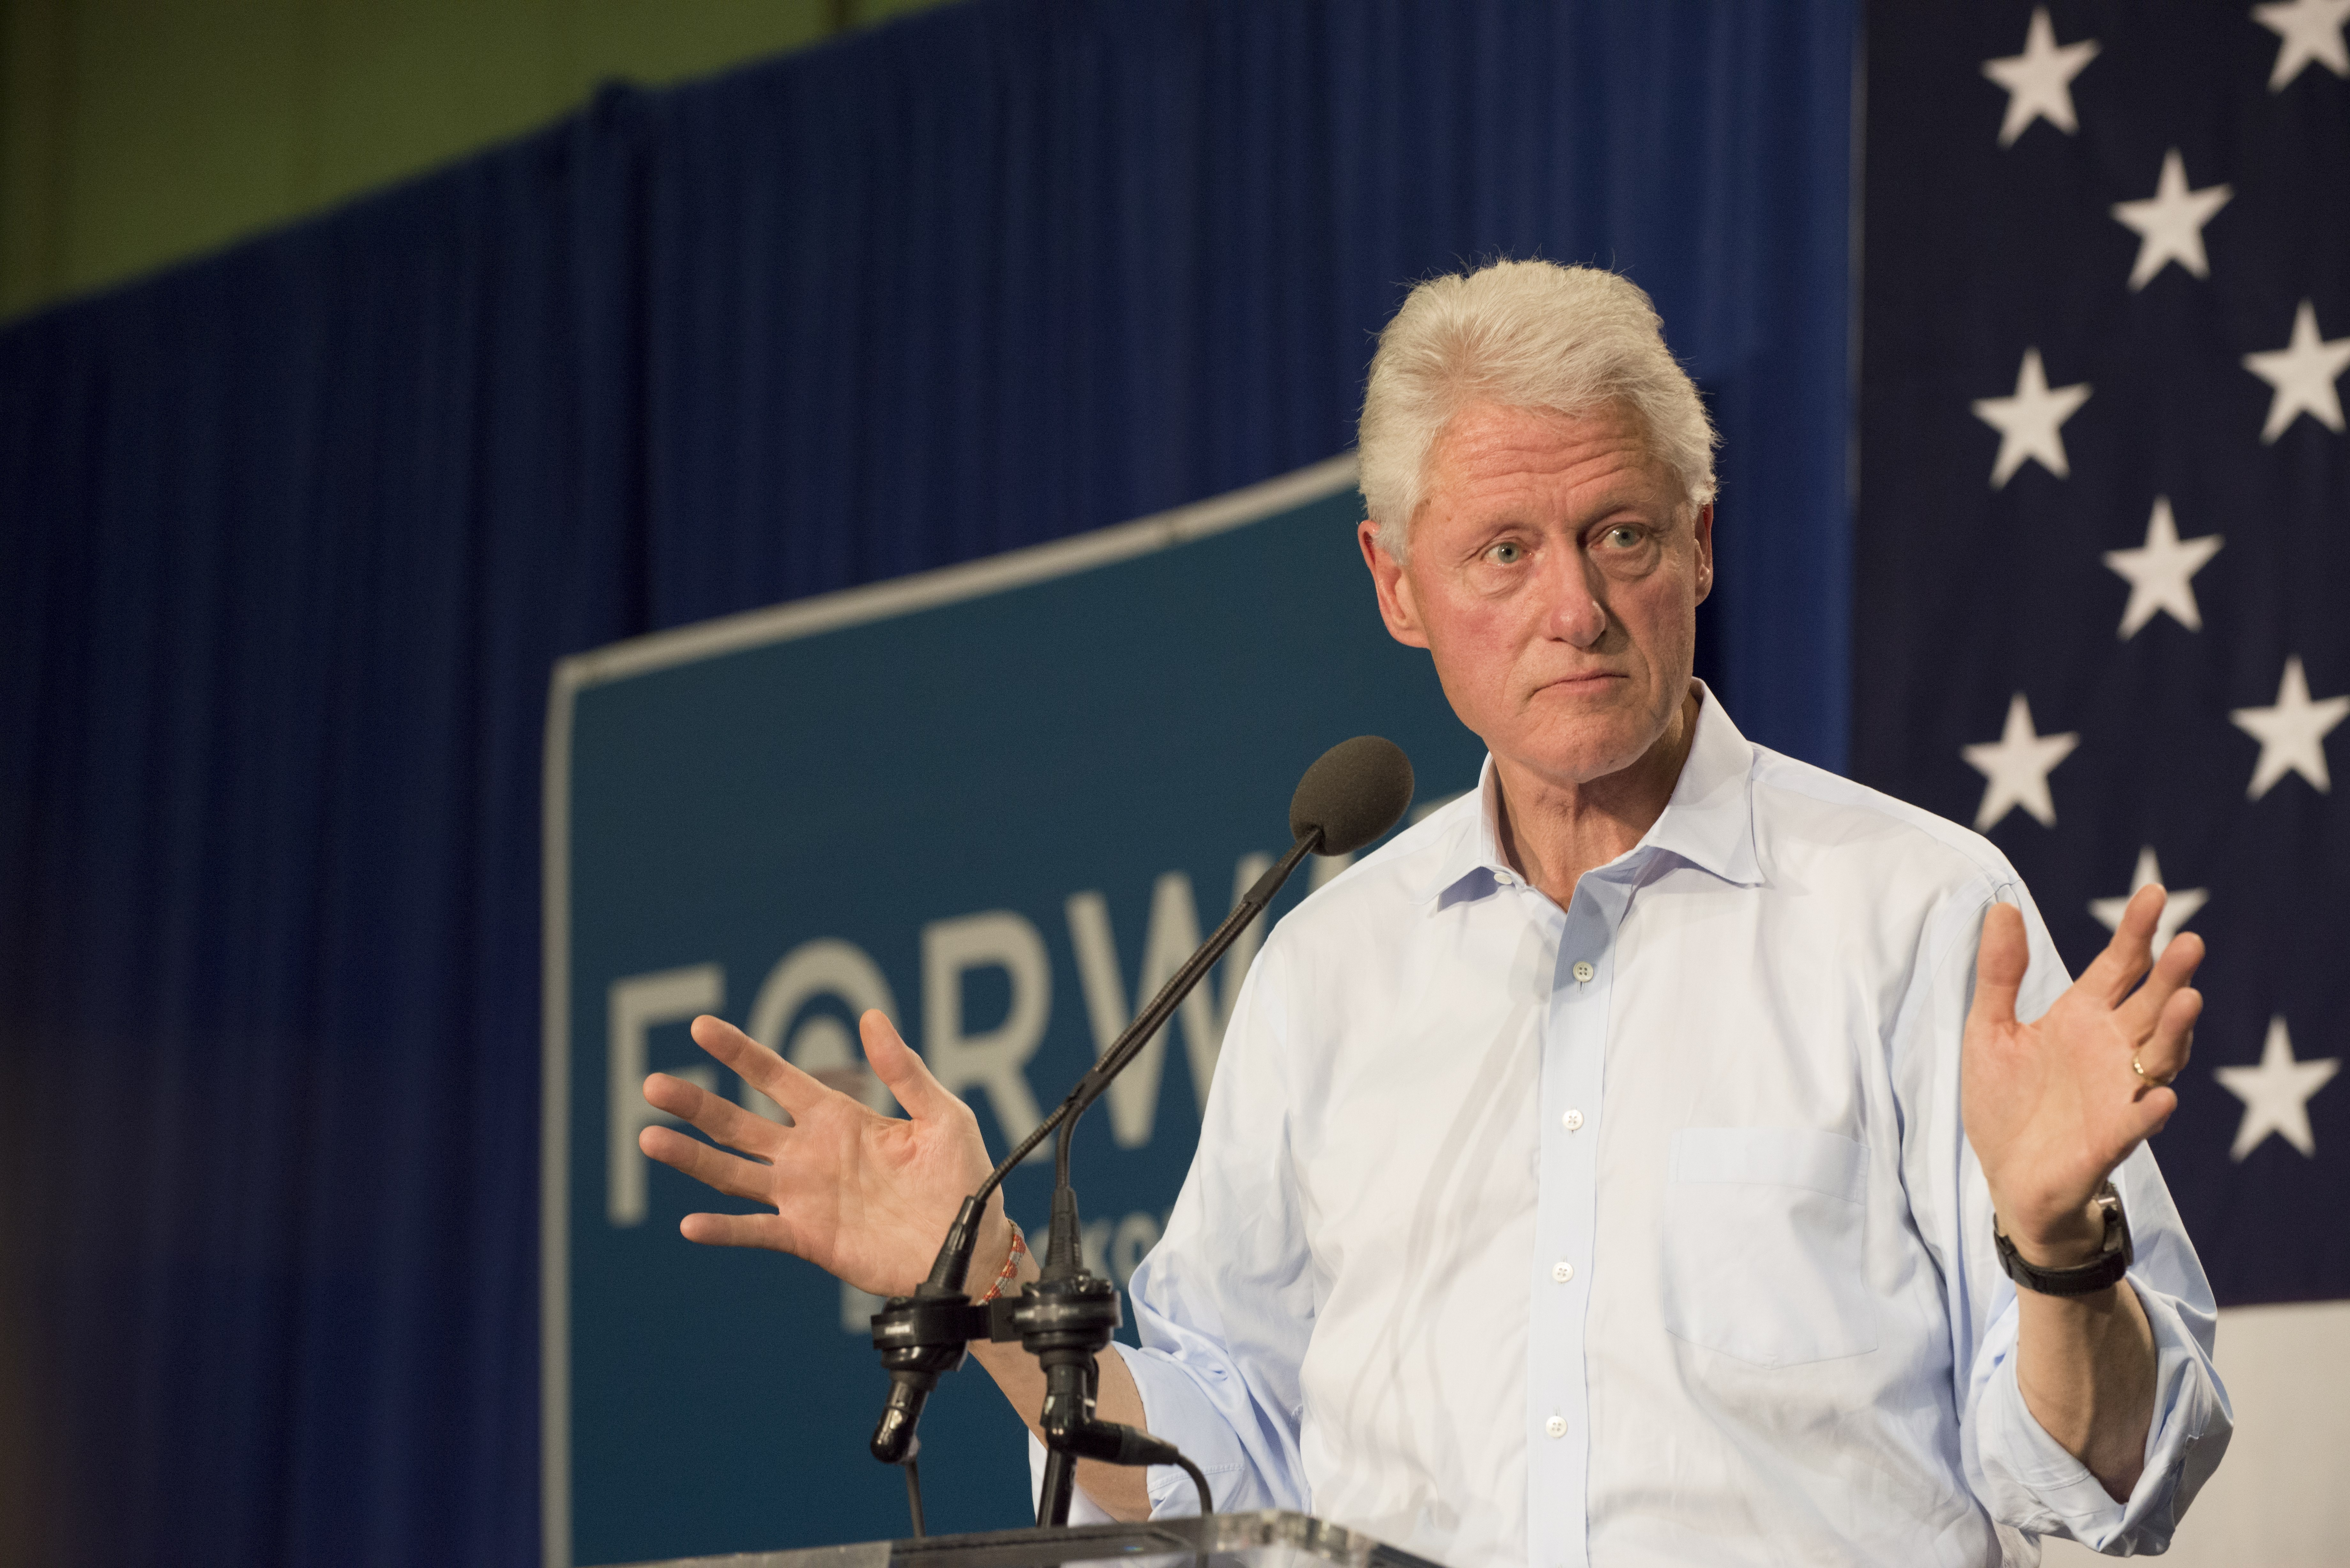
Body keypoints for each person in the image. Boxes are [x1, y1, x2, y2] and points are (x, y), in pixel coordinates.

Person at [638, 260, 2230, 1566]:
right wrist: (978, 1275)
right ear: (1398, 587)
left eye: (1619, 533)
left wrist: (2056, 1250)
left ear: (1698, 545)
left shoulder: (1917, 914)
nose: (1574, 609)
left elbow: (2100, 1486)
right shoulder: (1329, 965)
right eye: (1502, 552)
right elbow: (1220, 1470)